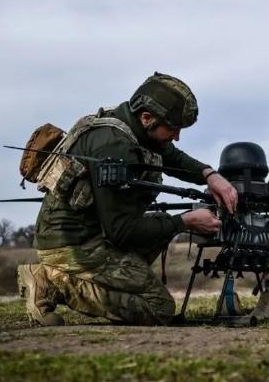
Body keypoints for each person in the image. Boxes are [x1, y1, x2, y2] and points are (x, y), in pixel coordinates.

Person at [17, 72, 238, 326]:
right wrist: (185, 222)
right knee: (159, 307)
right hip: (72, 245)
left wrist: (209, 175)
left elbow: (172, 156)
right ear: (147, 118)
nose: (177, 137)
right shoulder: (115, 147)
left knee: (158, 226)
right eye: (173, 129)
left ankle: (101, 280)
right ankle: (52, 284)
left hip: (86, 233)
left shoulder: (130, 124)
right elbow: (121, 232)